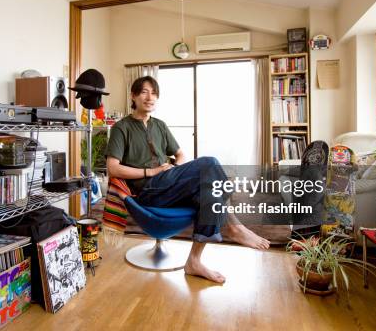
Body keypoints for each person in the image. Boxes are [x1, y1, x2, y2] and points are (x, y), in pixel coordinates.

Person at [106, 76, 270, 284]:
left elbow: (180, 154)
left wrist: (174, 168)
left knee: (209, 193)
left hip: (168, 183)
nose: (150, 97)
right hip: (148, 192)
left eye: (154, 93)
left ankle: (194, 261)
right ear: (133, 96)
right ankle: (234, 227)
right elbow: (113, 167)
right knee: (209, 162)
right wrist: (152, 172)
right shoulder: (122, 128)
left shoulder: (160, 126)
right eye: (145, 92)